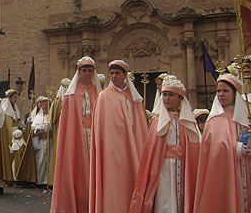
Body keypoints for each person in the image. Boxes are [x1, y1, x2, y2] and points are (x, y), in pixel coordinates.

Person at [130, 75, 201, 213]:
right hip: (163, 167)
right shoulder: (157, 121)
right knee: (164, 199)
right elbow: (151, 149)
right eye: (164, 95)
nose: (167, 98)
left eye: (171, 95)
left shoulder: (187, 121)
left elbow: (194, 145)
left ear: (180, 98)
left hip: (183, 165)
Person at [89, 59, 149, 212]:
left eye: (117, 73)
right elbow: (100, 126)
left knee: (132, 179)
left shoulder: (134, 98)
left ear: (125, 75)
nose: (114, 76)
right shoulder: (103, 97)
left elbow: (140, 124)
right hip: (112, 148)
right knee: (114, 181)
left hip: (132, 145)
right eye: (112, 73)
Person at [194, 73, 251, 213]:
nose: (221, 94)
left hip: (247, 168)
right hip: (225, 172)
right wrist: (235, 148)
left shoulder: (247, 115)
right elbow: (214, 149)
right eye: (218, 91)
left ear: (235, 94)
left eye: (225, 91)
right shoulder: (214, 120)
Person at [50, 56, 101, 213]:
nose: (87, 73)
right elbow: (67, 122)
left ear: (93, 72)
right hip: (77, 137)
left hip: (95, 135)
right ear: (79, 72)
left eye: (89, 70)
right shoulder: (70, 96)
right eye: (84, 70)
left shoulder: (99, 93)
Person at [47, 77, 71, 186]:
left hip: (62, 130)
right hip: (65, 130)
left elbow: (52, 118)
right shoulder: (60, 100)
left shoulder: (58, 101)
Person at [32, 96, 52, 188]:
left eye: (46, 105)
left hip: (50, 141)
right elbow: (34, 128)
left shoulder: (52, 116)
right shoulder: (38, 116)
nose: (44, 106)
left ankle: (49, 180)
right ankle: (41, 180)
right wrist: (38, 128)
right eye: (43, 105)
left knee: (50, 159)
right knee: (40, 160)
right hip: (41, 141)